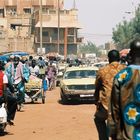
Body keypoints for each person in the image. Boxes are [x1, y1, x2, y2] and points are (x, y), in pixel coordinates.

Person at [109, 39, 140, 139]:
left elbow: (114, 108)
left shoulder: (121, 76)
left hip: (126, 135)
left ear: (130, 54)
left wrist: (113, 131)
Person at [93, 50, 126, 140]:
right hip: (123, 105)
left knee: (98, 120)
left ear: (109, 59)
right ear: (119, 58)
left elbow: (97, 87)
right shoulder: (125, 70)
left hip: (106, 105)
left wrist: (96, 100)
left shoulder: (102, 71)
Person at [0, 61, 17, 125]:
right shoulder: (4, 76)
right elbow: (5, 89)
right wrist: (5, 99)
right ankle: (9, 118)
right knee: (14, 100)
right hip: (1, 96)